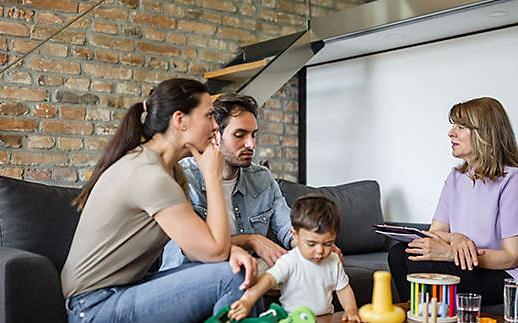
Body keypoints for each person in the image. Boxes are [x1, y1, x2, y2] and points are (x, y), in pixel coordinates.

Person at [60, 79, 258, 323]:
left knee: (241, 270)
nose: (216, 125)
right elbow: (215, 251)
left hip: (122, 291)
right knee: (232, 278)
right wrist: (212, 176)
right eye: (208, 115)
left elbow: (196, 249)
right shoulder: (148, 174)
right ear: (180, 120)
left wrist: (234, 251)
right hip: (93, 307)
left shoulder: (172, 172)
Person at [387, 97, 518, 309]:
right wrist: (456, 238)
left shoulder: (513, 180)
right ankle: (421, 315)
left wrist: (450, 253)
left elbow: (511, 257)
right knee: (401, 253)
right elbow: (436, 232)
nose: (451, 133)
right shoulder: (456, 177)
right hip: (475, 266)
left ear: (484, 134)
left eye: (461, 127)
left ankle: (431, 315)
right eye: (453, 126)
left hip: (517, 276)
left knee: (423, 264)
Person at [161, 92, 294, 270]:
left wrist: (313, 244)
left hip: (247, 267)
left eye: (253, 135)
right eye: (240, 135)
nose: (251, 145)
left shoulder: (261, 178)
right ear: (215, 136)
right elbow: (195, 249)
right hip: (190, 272)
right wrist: (252, 240)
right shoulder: (183, 177)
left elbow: (288, 227)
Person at [228, 194, 361, 322]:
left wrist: (351, 310)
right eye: (311, 244)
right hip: (293, 319)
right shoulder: (290, 261)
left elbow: (343, 289)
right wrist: (247, 301)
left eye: (328, 244)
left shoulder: (333, 261)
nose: (320, 251)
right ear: (295, 236)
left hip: (324, 318)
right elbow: (267, 281)